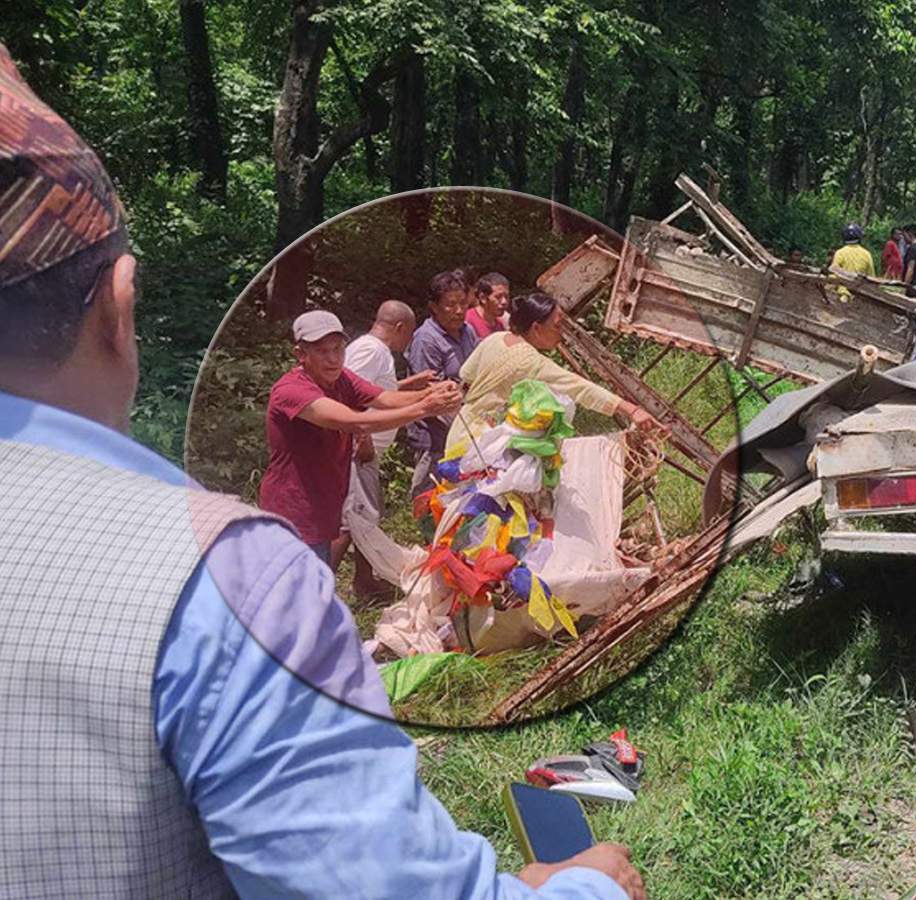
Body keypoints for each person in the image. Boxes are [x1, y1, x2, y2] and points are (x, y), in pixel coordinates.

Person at [0, 44, 644, 900]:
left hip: (421, 480)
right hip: (339, 499)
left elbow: (379, 388)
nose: (338, 353)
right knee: (392, 568)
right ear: (119, 310)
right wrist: (585, 886)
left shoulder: (450, 349)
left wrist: (417, 391)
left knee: (397, 561)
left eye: (343, 341)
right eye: (326, 344)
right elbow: (359, 413)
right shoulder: (230, 579)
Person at [258, 310, 461, 564]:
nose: (333, 359)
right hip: (293, 509)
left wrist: (431, 392)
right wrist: (425, 407)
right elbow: (355, 421)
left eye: (338, 349)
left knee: (315, 585)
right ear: (301, 355)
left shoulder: (341, 378)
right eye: (322, 351)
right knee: (295, 592)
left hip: (324, 504)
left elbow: (385, 398)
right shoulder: (292, 390)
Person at [448, 291, 662, 450]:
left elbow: (466, 375)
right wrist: (632, 410)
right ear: (536, 328)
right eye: (558, 326)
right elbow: (580, 388)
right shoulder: (532, 363)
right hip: (484, 447)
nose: (561, 333)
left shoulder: (495, 339)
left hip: (460, 431)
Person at [339, 299, 434, 593]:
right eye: (409, 334)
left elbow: (373, 391)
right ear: (400, 327)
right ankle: (316, 590)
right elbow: (347, 396)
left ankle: (364, 581)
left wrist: (411, 384)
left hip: (366, 450)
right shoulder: (371, 350)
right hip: (358, 448)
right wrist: (362, 436)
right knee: (349, 522)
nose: (408, 342)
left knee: (365, 517)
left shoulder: (373, 351)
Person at [407, 268, 480, 494]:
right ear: (434, 306)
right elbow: (428, 390)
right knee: (431, 495)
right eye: (450, 305)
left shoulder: (467, 331)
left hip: (466, 426)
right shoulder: (426, 339)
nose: (459, 311)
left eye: (462, 303)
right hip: (435, 434)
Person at [466, 271, 511, 338]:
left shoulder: (500, 325)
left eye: (506, 297)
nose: (504, 302)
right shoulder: (468, 321)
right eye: (498, 297)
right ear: (483, 298)